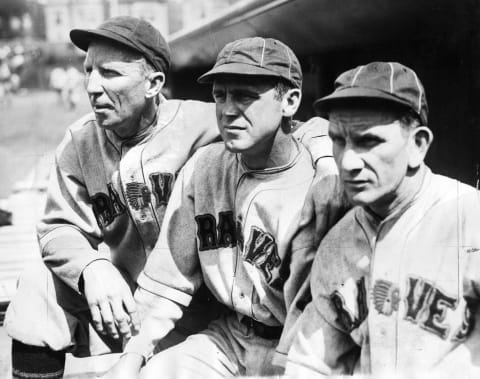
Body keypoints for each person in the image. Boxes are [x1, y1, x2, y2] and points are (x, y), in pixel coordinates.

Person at [105, 37, 343, 379]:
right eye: (220, 95)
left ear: (290, 101)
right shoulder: (206, 167)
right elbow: (165, 281)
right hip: (232, 338)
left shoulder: (322, 185)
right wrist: (131, 357)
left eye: (245, 95)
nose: (228, 109)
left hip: (304, 349)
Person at [5, 16, 221, 379]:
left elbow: (284, 134)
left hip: (199, 309)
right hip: (122, 304)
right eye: (88, 70)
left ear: (154, 83)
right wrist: (93, 268)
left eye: (109, 73)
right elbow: (58, 227)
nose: (91, 85)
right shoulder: (80, 141)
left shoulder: (204, 125)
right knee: (37, 284)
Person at [285, 62, 480, 377]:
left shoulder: (469, 217)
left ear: (418, 145)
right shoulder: (337, 245)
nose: (348, 162)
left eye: (369, 141)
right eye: (338, 140)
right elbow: (309, 364)